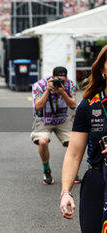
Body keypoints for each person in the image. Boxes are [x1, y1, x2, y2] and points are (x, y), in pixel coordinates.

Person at [60, 45, 107, 233]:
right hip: (97, 182)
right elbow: (73, 155)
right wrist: (65, 192)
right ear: (102, 68)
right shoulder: (88, 106)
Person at [30, 66, 77, 184]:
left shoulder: (70, 85)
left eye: (62, 80)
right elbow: (38, 107)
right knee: (43, 142)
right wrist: (47, 90)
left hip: (62, 119)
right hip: (44, 119)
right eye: (57, 80)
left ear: (66, 78)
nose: (59, 82)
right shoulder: (39, 85)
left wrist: (62, 92)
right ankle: (47, 170)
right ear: (52, 77)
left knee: (75, 143)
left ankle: (73, 171)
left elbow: (73, 105)